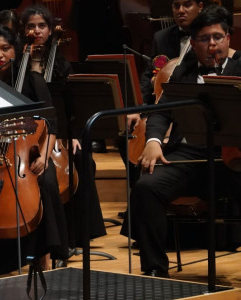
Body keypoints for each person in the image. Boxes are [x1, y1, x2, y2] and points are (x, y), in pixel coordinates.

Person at [124, 7, 241, 278]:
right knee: (146, 187)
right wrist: (153, 141)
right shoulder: (183, 72)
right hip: (190, 155)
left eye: (217, 37)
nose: (212, 44)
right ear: (193, 43)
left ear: (228, 39)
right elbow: (162, 111)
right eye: (204, 39)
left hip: (233, 158)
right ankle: (155, 269)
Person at [0, 24, 68, 273]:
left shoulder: (33, 81)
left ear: (16, 50)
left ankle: (44, 252)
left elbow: (52, 125)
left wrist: (44, 156)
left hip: (30, 152)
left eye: (5, 48)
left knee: (46, 182)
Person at [19, 4, 107, 257]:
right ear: (23, 31)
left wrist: (75, 135)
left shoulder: (60, 64)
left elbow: (72, 106)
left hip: (58, 131)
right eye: (31, 26)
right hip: (26, 135)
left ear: (49, 30)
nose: (36, 31)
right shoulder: (18, 65)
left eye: (41, 26)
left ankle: (80, 232)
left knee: (82, 161)